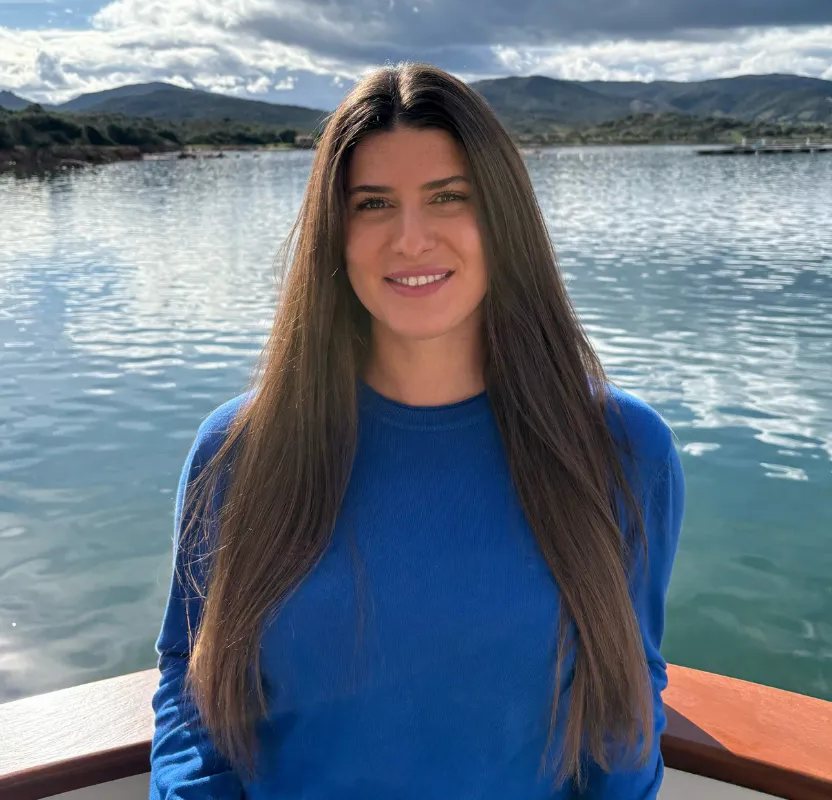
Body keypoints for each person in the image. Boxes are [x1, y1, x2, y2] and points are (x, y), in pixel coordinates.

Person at [149, 63, 685, 800]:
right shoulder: (240, 451)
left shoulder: (623, 450)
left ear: (503, 218)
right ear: (335, 234)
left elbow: (627, 697)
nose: (410, 238)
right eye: (373, 204)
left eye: (448, 197)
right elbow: (192, 679)